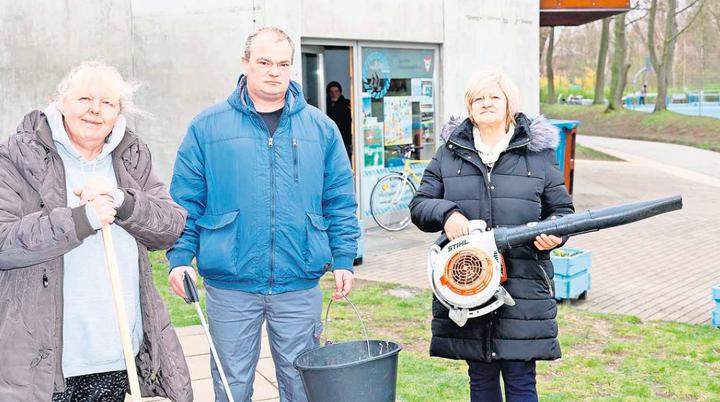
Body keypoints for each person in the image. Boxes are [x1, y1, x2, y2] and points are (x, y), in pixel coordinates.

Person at [167, 27, 359, 402]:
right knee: (231, 383)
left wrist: (343, 258)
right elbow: (185, 202)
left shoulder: (321, 129)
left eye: (284, 64)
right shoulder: (207, 127)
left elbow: (339, 200)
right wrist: (179, 258)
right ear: (245, 64)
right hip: (230, 284)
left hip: (298, 282)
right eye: (264, 62)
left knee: (302, 386)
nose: (274, 71)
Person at [0, 61, 192, 402]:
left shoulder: (131, 157)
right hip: (44, 361)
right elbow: (4, 243)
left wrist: (123, 202)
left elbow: (170, 226)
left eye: (108, 102)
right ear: (60, 102)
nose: (95, 110)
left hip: (116, 354)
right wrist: (80, 220)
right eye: (85, 98)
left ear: (119, 113)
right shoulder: (15, 158)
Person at [410, 70, 574, 402]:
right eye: (478, 98)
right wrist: (447, 213)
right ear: (469, 107)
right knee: (480, 378)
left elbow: (562, 213)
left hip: (523, 285)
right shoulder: (449, 154)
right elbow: (419, 204)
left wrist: (554, 235)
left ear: (509, 105)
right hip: (467, 285)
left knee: (521, 379)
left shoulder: (537, 156)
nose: (486, 103)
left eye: (494, 97)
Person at [326, 81, 353, 160]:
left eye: (336, 91)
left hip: (345, 141)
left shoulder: (348, 104)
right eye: (331, 92)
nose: (334, 94)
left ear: (340, 92)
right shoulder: (324, 105)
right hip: (329, 142)